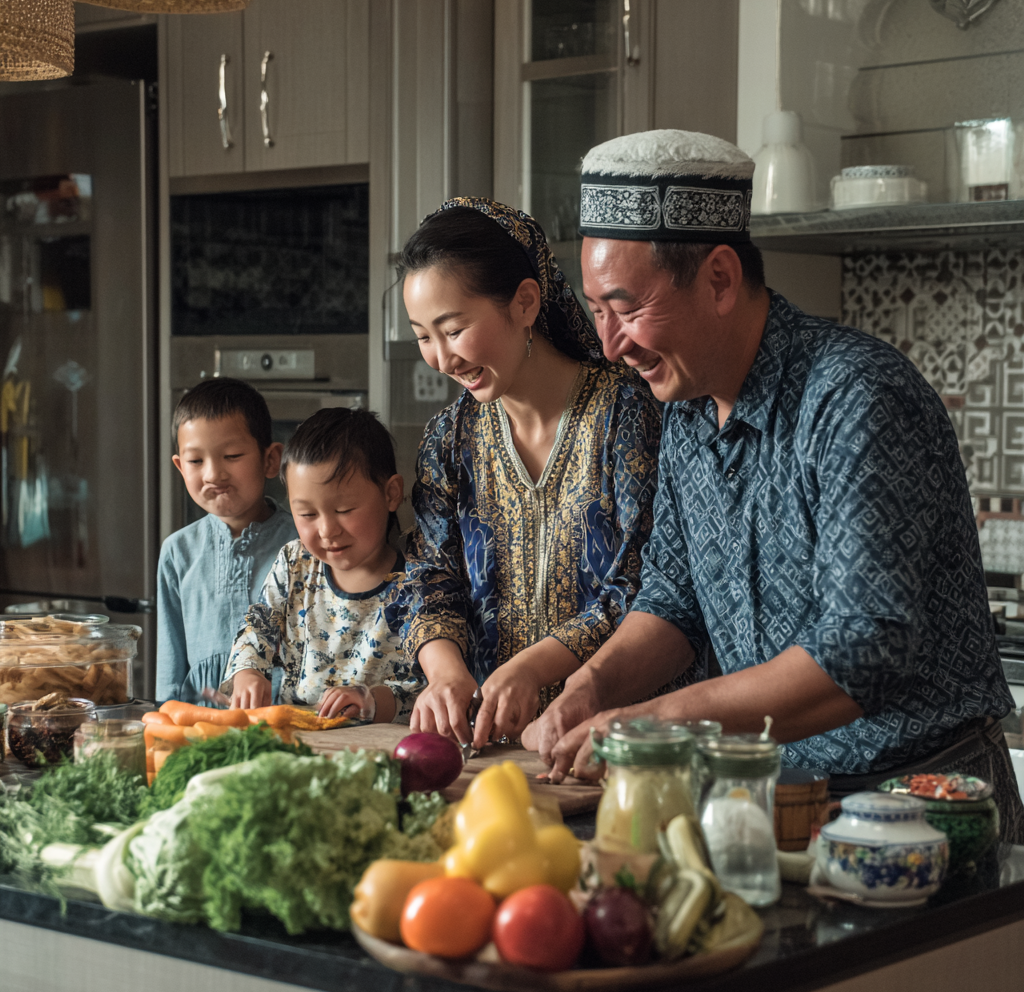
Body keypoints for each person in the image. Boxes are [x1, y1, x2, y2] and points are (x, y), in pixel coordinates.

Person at [523, 129, 1024, 841]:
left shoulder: (855, 397)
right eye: (598, 311)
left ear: (720, 279)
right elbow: (675, 596)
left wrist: (657, 718)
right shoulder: (689, 411)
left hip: (924, 808)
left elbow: (860, 651)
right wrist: (592, 686)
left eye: (629, 310)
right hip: (781, 803)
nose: (611, 345)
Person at [393, 198, 662, 749]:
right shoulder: (450, 438)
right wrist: (445, 672)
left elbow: (645, 584)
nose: (442, 359)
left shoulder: (626, 414)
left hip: (617, 741)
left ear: (525, 302)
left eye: (454, 328)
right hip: (491, 746)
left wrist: (532, 669)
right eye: (424, 336)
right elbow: (427, 572)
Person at [222, 406, 425, 723]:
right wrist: (248, 671)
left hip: (379, 746)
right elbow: (257, 626)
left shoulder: (418, 582)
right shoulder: (294, 562)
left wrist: (370, 702)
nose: (327, 530)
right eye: (307, 515)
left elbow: (424, 690)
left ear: (391, 493)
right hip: (297, 739)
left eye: (344, 509)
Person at [156, 378, 296, 704]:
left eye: (231, 455)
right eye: (195, 461)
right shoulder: (177, 552)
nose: (213, 474)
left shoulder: (303, 544)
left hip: (283, 723)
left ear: (270, 459)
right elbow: (170, 663)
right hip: (199, 729)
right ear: (179, 467)